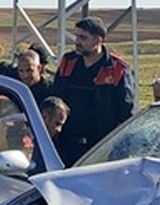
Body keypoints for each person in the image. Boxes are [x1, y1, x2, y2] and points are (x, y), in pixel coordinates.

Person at [50, 16, 137, 166]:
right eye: (77, 36)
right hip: (66, 145)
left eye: (83, 38)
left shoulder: (117, 69)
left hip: (100, 149)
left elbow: (127, 114)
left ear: (98, 40)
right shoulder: (68, 62)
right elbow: (55, 99)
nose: (78, 42)